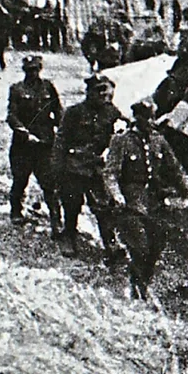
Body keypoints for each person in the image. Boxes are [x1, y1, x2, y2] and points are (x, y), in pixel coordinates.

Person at [104, 100, 188, 301]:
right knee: (139, 247)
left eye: (153, 117)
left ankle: (141, 284)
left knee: (156, 246)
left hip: (154, 203)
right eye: (148, 118)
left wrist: (187, 192)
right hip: (130, 203)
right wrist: (117, 196)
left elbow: (175, 168)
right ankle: (135, 288)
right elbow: (110, 173)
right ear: (138, 119)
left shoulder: (158, 140)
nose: (152, 122)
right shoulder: (122, 141)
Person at [53, 74, 127, 261]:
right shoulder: (74, 112)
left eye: (105, 91)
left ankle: (110, 243)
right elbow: (61, 141)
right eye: (98, 91)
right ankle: (69, 236)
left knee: (104, 207)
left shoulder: (111, 112)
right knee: (72, 205)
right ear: (88, 92)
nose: (103, 95)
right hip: (75, 167)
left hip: (97, 168)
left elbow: (123, 128)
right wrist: (57, 169)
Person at [6, 55, 63, 231]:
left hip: (45, 143)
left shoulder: (48, 87)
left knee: (49, 182)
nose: (33, 73)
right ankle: (16, 211)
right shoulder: (17, 89)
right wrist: (23, 132)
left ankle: (56, 217)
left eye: (36, 69)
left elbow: (58, 110)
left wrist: (61, 130)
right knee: (20, 179)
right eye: (30, 70)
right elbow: (11, 116)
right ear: (25, 71)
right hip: (23, 145)